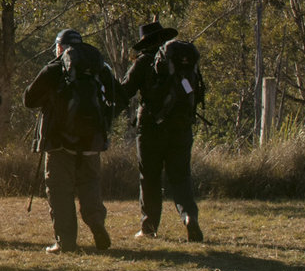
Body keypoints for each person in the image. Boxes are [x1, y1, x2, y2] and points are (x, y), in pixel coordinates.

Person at [24, 29, 119, 253]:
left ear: (59, 47)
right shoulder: (99, 68)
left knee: (60, 191)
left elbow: (29, 99)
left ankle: (65, 241)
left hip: (58, 142)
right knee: (90, 184)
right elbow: (119, 97)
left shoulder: (54, 68)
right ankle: (96, 221)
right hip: (91, 142)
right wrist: (102, 121)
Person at [118, 21, 208, 242]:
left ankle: (149, 228)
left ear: (146, 42)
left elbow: (125, 91)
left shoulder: (144, 62)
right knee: (181, 177)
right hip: (182, 126)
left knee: (149, 178)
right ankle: (189, 217)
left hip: (151, 129)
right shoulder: (182, 62)